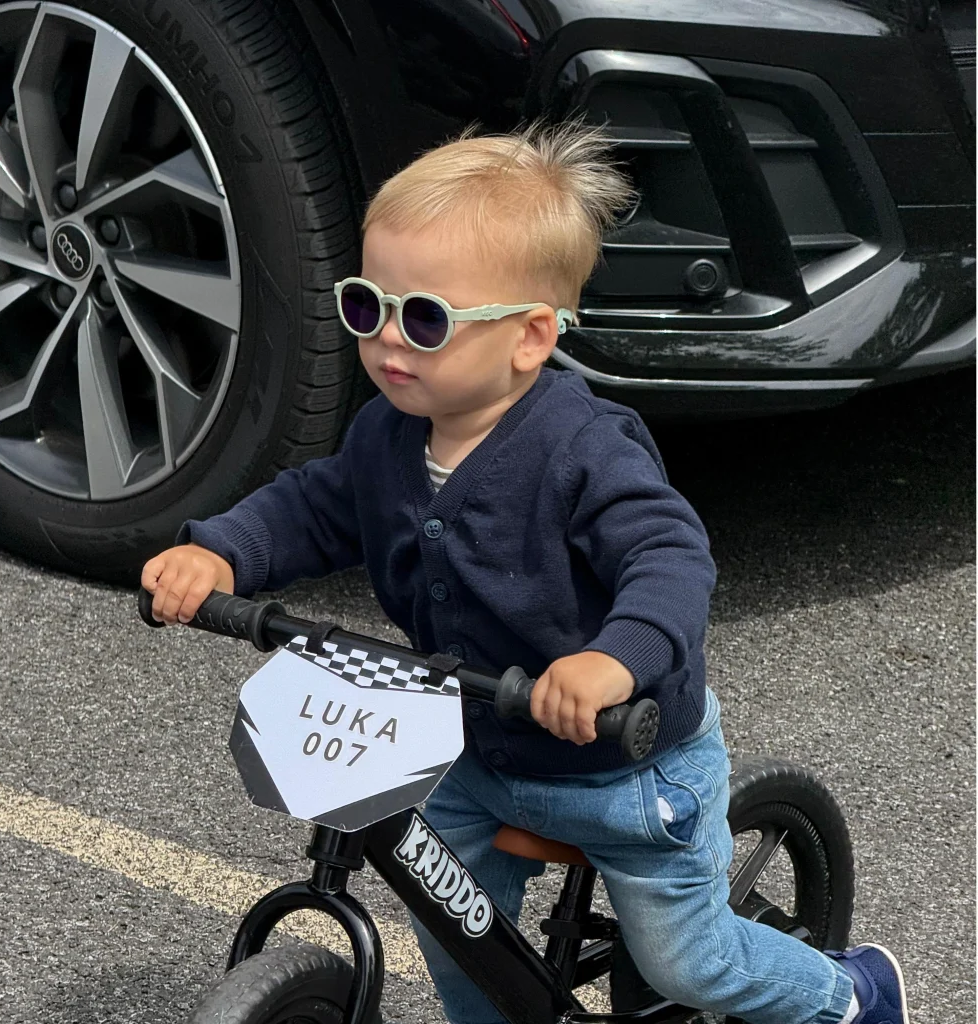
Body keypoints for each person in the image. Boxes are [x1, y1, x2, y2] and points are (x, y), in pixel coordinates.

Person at [140, 122, 909, 1024]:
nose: (388, 341)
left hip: (625, 769)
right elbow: (315, 508)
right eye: (367, 306)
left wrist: (612, 661)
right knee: (459, 941)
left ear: (530, 337)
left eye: (425, 319)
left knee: (687, 963)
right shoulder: (386, 435)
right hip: (475, 751)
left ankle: (853, 994)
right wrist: (220, 551)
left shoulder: (582, 449)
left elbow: (669, 558)